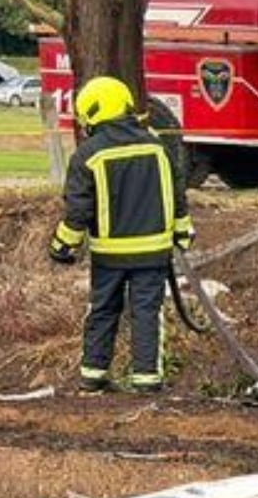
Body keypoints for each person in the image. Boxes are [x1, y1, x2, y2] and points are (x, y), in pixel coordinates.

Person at [48, 76, 195, 393]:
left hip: (109, 255)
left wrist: (62, 246)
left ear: (94, 111)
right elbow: (176, 192)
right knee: (146, 312)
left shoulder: (88, 155)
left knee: (102, 310)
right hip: (154, 252)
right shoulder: (156, 146)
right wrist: (183, 231)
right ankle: (146, 378)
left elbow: (78, 212)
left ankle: (93, 373)